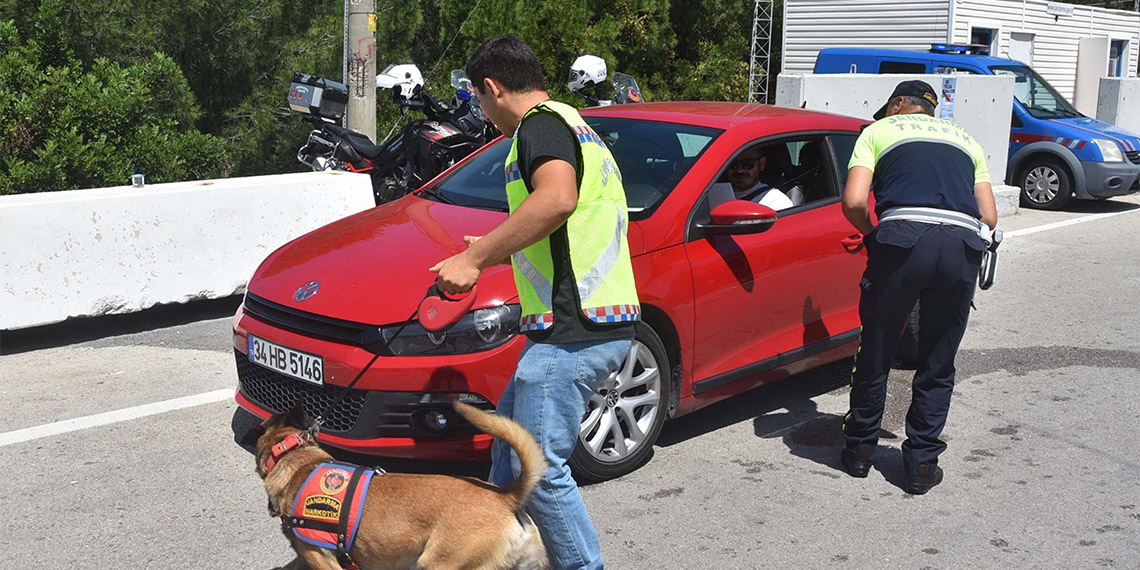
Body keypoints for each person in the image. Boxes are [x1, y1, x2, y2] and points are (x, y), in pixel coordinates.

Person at [429, 34, 639, 569]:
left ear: (492, 88)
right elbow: (563, 229)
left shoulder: (539, 126)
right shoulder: (576, 125)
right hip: (586, 323)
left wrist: (474, 263)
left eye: (478, 97)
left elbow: (558, 199)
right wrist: (491, 248)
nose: (481, 107)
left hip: (573, 331)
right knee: (506, 452)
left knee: (538, 471)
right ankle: (491, 553)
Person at [839, 80, 997, 495]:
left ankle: (858, 452)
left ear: (897, 106)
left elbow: (854, 201)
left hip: (903, 241)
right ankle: (921, 467)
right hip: (962, 245)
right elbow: (990, 216)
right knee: (937, 360)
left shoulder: (876, 132)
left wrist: (873, 236)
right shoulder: (966, 139)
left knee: (876, 349)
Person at [725, 146, 794, 210]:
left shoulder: (776, 202)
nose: (739, 171)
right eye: (733, 164)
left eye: (747, 164)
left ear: (761, 164)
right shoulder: (715, 194)